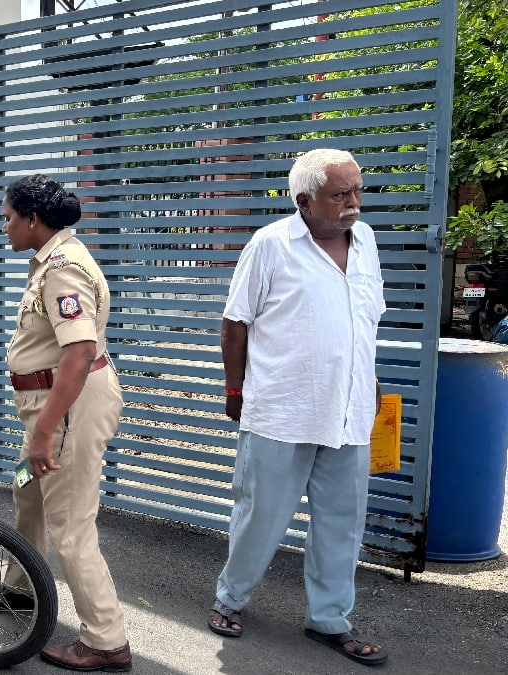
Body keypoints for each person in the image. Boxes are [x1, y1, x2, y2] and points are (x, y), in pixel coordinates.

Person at [208, 149, 387, 667]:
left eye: (357, 191)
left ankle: (330, 620)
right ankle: (230, 599)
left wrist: (370, 383)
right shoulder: (271, 245)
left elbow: (364, 322)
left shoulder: (368, 242)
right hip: (282, 411)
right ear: (304, 201)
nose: (354, 203)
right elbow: (235, 323)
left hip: (350, 412)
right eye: (341, 194)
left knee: (342, 522)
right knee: (261, 515)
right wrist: (235, 391)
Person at [0, 174, 132, 672]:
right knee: (25, 490)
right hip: (55, 405)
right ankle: (20, 587)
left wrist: (43, 433)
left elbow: (78, 352)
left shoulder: (62, 268)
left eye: (9, 217)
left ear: (33, 219)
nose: (5, 227)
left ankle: (105, 639)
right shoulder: (53, 260)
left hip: (65, 410)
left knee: (71, 526)